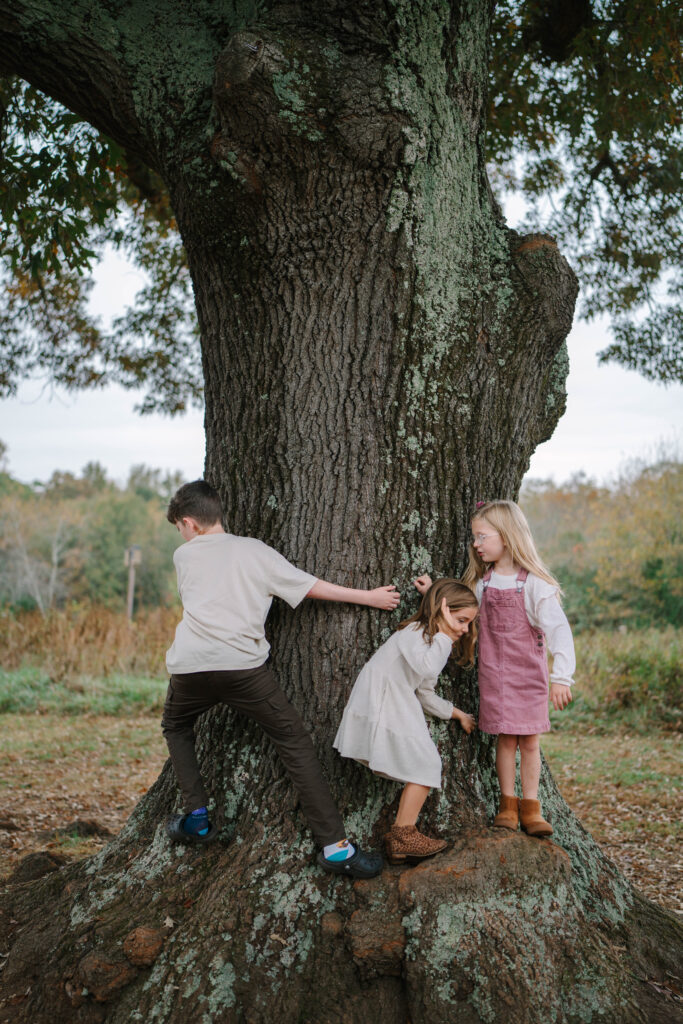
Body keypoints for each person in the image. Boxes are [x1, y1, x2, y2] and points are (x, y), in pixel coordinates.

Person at [162, 479, 401, 880]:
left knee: (175, 725)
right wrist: (370, 597)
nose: (182, 535)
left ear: (190, 523)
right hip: (242, 669)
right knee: (293, 741)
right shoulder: (254, 552)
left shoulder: (183, 557)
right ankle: (336, 847)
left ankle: (197, 817)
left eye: (180, 528)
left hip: (189, 668)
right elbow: (309, 587)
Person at [415, 500, 574, 838]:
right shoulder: (481, 584)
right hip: (495, 677)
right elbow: (457, 609)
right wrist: (433, 592)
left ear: (507, 535)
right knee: (505, 740)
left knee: (530, 741)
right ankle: (507, 804)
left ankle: (532, 808)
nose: (476, 544)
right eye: (475, 537)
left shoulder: (533, 584)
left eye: (482, 536)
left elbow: (559, 629)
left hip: (529, 677)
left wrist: (561, 677)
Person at [333, 578, 477, 865]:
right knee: (426, 764)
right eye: (461, 620)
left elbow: (425, 691)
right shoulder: (415, 632)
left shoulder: (432, 640)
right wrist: (445, 631)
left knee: (424, 765)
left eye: (469, 623)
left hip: (398, 702)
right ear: (444, 611)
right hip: (383, 703)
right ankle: (402, 835)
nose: (465, 629)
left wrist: (456, 713)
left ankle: (401, 840)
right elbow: (427, 666)